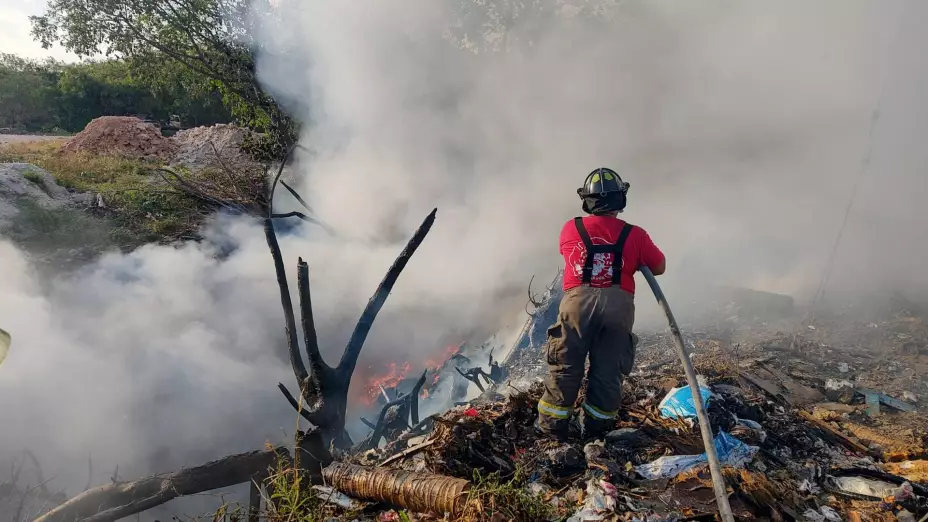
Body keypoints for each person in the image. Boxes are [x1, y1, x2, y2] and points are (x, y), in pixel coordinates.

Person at [536, 167, 666, 440]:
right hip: (617, 310)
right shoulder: (637, 235)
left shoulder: (571, 228)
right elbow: (659, 266)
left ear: (587, 200)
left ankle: (551, 433)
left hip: (576, 307)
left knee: (565, 367)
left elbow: (567, 252)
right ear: (621, 200)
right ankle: (596, 433)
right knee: (608, 371)